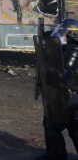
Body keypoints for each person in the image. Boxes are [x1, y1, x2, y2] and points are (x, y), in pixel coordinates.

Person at [35, 19, 78, 160]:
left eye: (64, 34)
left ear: (72, 35)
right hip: (72, 94)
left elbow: (66, 72)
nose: (63, 37)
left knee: (52, 123)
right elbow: (56, 45)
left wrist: (49, 73)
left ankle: (55, 156)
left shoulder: (75, 49)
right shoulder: (70, 47)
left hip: (70, 94)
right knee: (74, 127)